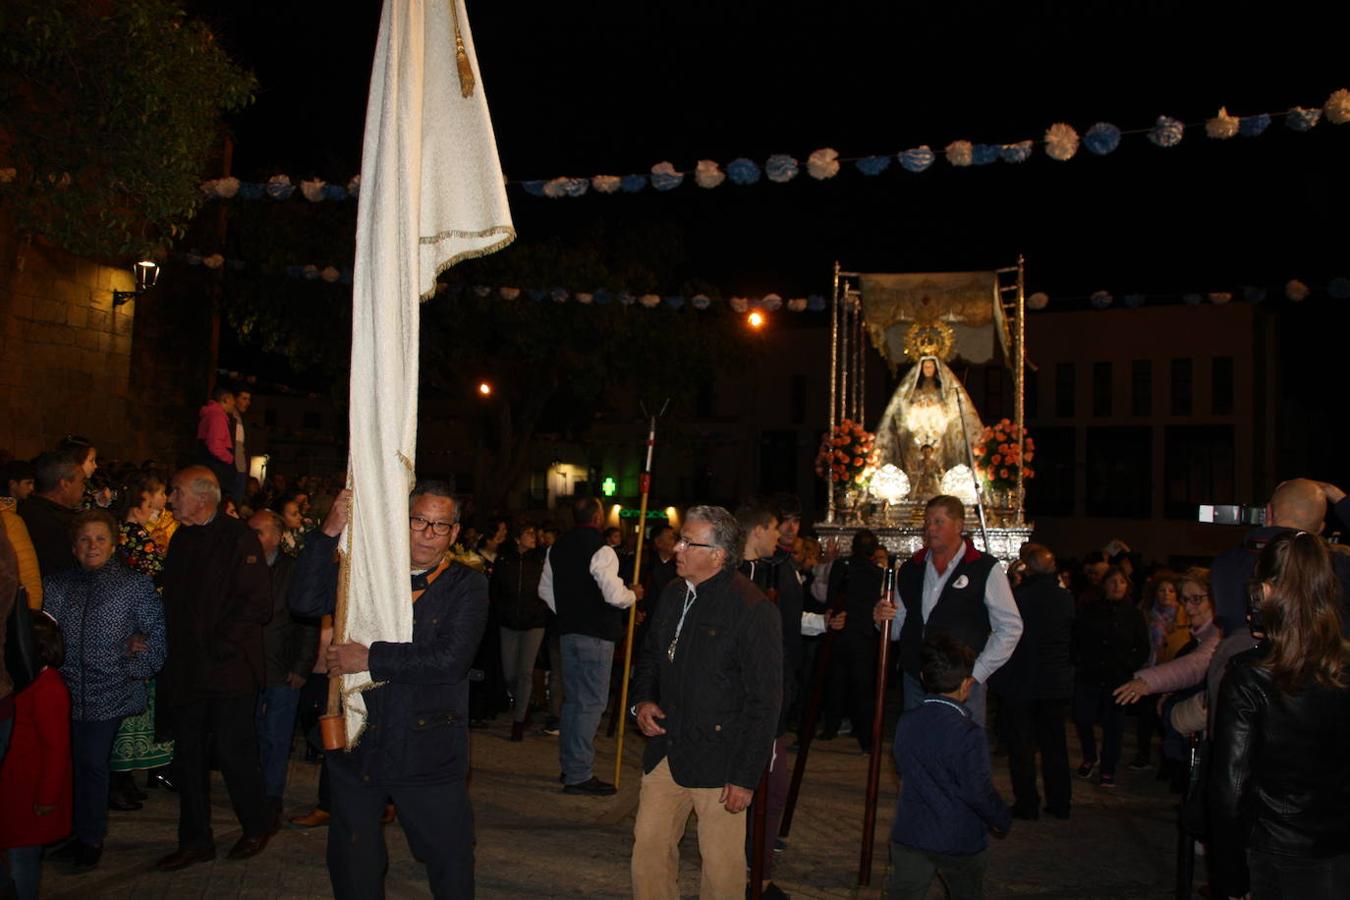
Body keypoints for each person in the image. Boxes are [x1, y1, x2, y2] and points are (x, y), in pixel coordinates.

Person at [289, 481, 488, 899]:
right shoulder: (364, 575)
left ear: (454, 534)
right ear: (402, 522)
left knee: (448, 859)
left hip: (428, 747)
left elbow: (449, 660)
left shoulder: (466, 586)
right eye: (419, 521)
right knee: (352, 859)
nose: (427, 534)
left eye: (439, 525)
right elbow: (305, 601)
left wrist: (370, 658)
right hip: (360, 740)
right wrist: (329, 530)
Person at [630, 505, 782, 899]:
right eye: (680, 539)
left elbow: (765, 701)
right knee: (648, 851)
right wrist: (643, 702)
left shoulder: (751, 609)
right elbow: (650, 656)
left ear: (717, 554)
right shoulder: (672, 592)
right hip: (667, 748)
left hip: (721, 760)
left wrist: (745, 776)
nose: (677, 547)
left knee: (722, 869)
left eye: (687, 542)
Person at [1209, 531, 1350, 899]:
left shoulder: (1250, 675)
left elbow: (1229, 789)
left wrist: (1230, 879)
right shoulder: (1342, 666)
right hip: (1338, 847)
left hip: (1275, 853)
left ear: (1267, 591)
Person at [155, 467, 274, 871]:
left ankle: (256, 826)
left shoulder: (239, 538)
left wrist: (218, 647)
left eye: (176, 492)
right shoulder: (182, 538)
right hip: (188, 669)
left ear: (202, 497)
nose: (170, 499)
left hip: (228, 671)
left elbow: (256, 603)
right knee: (187, 757)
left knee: (234, 752)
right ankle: (194, 840)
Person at [42, 509, 166, 869]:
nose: (91, 546)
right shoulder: (57, 584)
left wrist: (133, 668)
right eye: (84, 539)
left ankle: (90, 839)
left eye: (99, 539)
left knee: (92, 764)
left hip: (108, 692)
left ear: (113, 545)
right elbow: (44, 635)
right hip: (62, 694)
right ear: (73, 545)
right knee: (65, 765)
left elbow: (157, 635)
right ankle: (67, 829)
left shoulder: (134, 586)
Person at [875, 495, 1023, 728]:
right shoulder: (911, 569)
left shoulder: (984, 568)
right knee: (919, 752)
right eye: (927, 522)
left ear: (959, 526)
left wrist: (978, 672)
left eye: (938, 522)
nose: (930, 528)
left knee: (962, 752)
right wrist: (882, 618)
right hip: (917, 678)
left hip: (962, 682)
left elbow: (1010, 627)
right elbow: (897, 629)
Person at [887, 633, 1012, 900]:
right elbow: (978, 790)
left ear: (923, 677)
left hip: (912, 834)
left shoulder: (907, 721)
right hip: (958, 838)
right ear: (967, 685)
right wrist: (1000, 818)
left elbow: (902, 766)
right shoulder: (969, 733)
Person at [540, 496, 641, 796]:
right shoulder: (602, 550)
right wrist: (632, 594)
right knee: (590, 705)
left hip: (568, 632)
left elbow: (545, 590)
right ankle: (579, 774)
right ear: (598, 517)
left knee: (574, 703)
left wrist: (570, 611)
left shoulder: (556, 548)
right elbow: (613, 594)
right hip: (595, 634)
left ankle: (571, 766)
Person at [734, 500, 802, 898]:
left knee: (767, 790)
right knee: (767, 790)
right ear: (758, 530)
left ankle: (752, 870)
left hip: (771, 693)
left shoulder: (775, 570)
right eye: (775, 527)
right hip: (756, 701)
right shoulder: (738, 578)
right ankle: (754, 874)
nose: (779, 535)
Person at [988, 543, 1074, 820]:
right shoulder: (1064, 599)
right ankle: (1060, 802)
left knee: (1022, 747)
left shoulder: (1020, 598)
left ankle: (1027, 802)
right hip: (1054, 682)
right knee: (1055, 746)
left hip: (1023, 681)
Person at [108, 473, 174, 807]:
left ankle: (126, 776)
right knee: (128, 705)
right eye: (157, 497)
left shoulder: (139, 535)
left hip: (140, 626)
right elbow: (151, 576)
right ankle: (118, 778)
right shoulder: (131, 536)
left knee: (138, 706)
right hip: (133, 629)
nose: (160, 504)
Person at [1210, 478, 1350, 635]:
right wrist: (1338, 497)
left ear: (1268, 513)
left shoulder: (1226, 564)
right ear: (1320, 528)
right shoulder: (1338, 567)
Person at [249, 509, 315, 823]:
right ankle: (250, 788)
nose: (253, 538)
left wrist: (302, 666)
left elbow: (307, 624)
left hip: (281, 667)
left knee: (276, 735)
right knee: (250, 732)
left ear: (276, 538)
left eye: (259, 532)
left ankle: (271, 794)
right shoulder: (241, 568)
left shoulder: (293, 571)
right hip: (245, 669)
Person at [0, 614, 72, 900]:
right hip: (14, 788)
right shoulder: (21, 684)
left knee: (22, 860)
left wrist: (47, 797)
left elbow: (56, 749)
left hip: (31, 794)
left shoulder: (48, 688)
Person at [1070, 566, 1148, 788]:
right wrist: (1080, 659)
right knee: (1083, 719)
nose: (1117, 586)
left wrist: (1128, 665)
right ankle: (1089, 756)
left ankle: (1108, 767)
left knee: (1114, 726)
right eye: (1112, 581)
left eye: (1121, 582)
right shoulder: (1090, 610)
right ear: (1104, 584)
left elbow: (1142, 646)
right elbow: (1076, 638)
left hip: (1117, 677)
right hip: (1090, 675)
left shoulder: (1133, 614)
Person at [873, 355, 985, 479]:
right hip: (917, 434)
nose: (928, 369)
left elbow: (950, 411)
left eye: (930, 366)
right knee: (916, 467)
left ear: (936, 368)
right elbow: (905, 411)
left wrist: (935, 407)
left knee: (937, 467)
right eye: (925, 366)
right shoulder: (915, 392)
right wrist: (917, 407)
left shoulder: (941, 392)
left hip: (937, 435)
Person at [823, 529, 886, 749]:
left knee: (836, 682)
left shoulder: (842, 567)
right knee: (863, 688)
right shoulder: (877, 573)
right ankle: (866, 738)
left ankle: (830, 727)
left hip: (841, 630)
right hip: (864, 634)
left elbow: (831, 597)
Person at [493, 522, 548, 741]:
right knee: (510, 674)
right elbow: (495, 590)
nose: (533, 537)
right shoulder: (504, 561)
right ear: (517, 538)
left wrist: (540, 610)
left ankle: (518, 721)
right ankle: (523, 707)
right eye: (528, 533)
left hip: (534, 623)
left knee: (525, 672)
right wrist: (501, 612)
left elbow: (546, 589)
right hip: (508, 622)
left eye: (534, 533)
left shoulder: (540, 561)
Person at [18, 450, 86, 577]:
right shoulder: (66, 526)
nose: (84, 487)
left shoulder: (22, 510)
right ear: (65, 484)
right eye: (81, 481)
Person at [195, 385, 236, 501]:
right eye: (232, 399)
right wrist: (230, 459)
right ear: (225, 399)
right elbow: (215, 446)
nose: (234, 403)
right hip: (217, 467)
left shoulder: (211, 414)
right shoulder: (217, 416)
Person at [232, 387, 252, 506]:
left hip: (239, 467)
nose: (247, 403)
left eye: (248, 399)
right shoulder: (233, 418)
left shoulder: (240, 418)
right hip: (235, 468)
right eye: (244, 398)